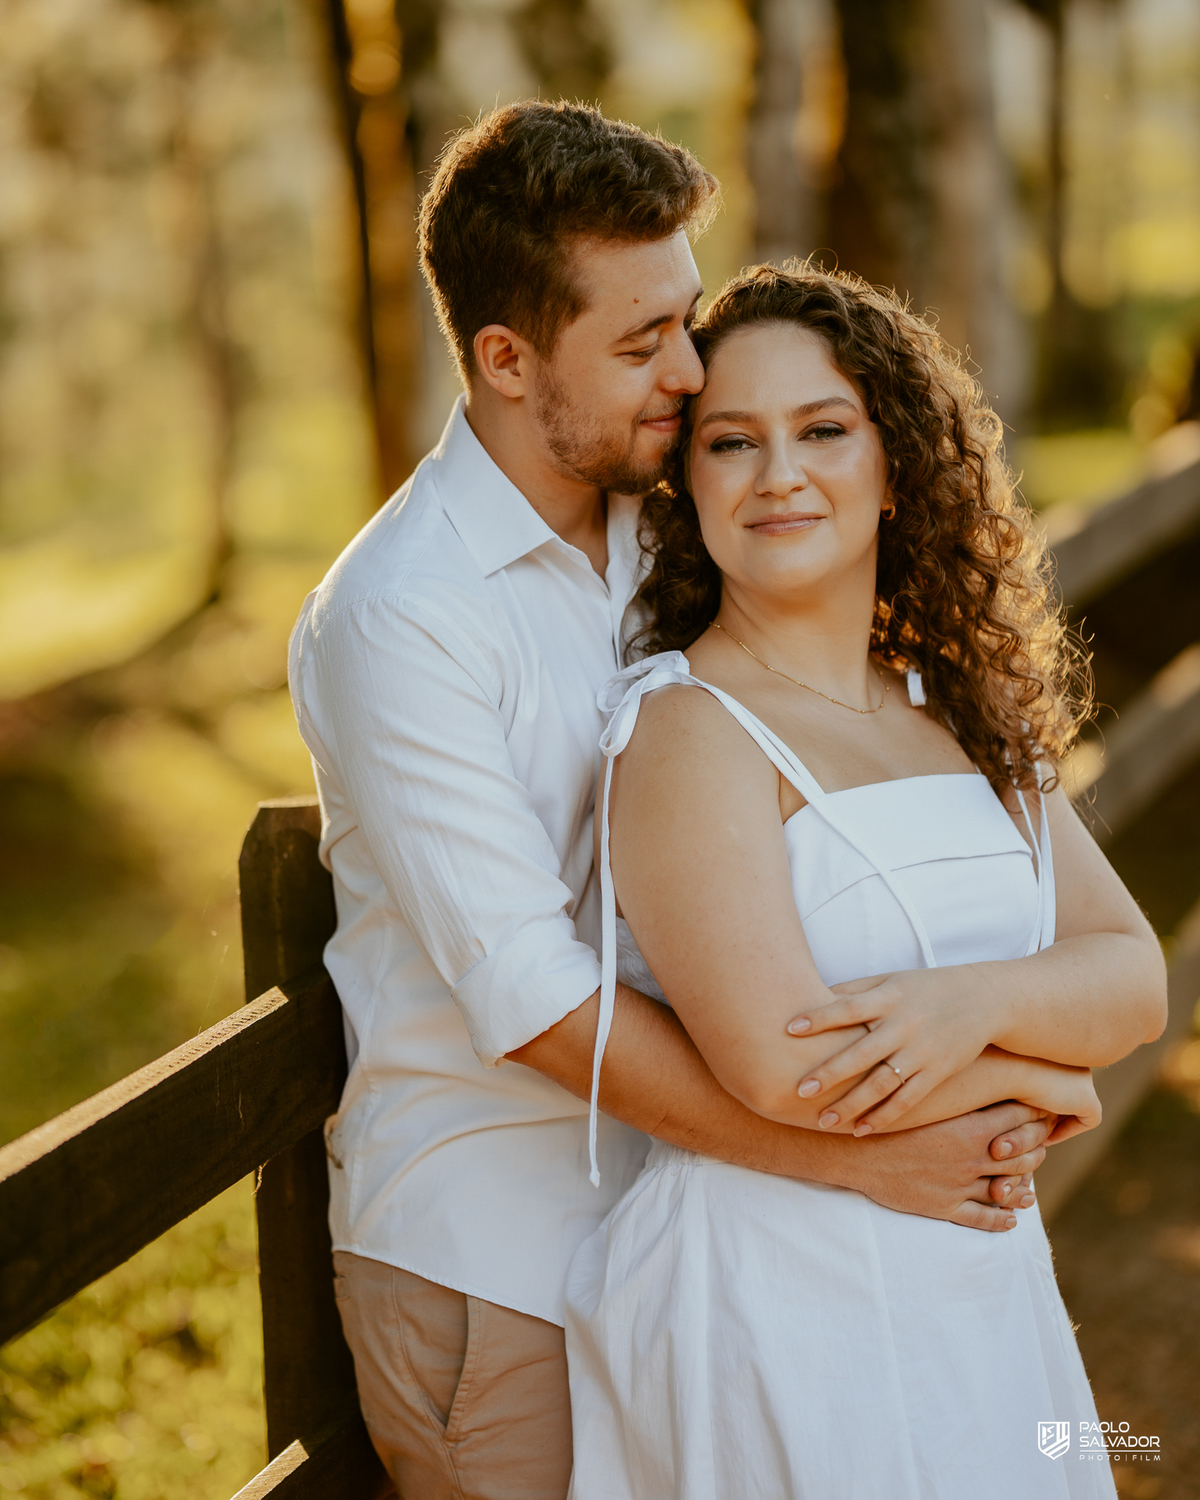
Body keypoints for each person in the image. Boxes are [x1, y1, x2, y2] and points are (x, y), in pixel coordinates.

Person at [289, 104, 1059, 1500]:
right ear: (506, 361)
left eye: (685, 319)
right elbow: (531, 998)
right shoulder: (400, 619)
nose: (690, 372)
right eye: (642, 345)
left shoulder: (668, 524)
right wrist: (863, 1161)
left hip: (703, 1226)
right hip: (498, 1260)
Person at [564, 263, 1168, 1499]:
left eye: (824, 430)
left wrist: (970, 1008)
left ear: (895, 465)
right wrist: (1047, 1072)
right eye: (733, 442)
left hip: (976, 1281)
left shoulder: (953, 711)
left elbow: (1134, 975)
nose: (780, 473)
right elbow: (785, 1066)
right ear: (690, 483)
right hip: (785, 1301)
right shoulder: (688, 729)